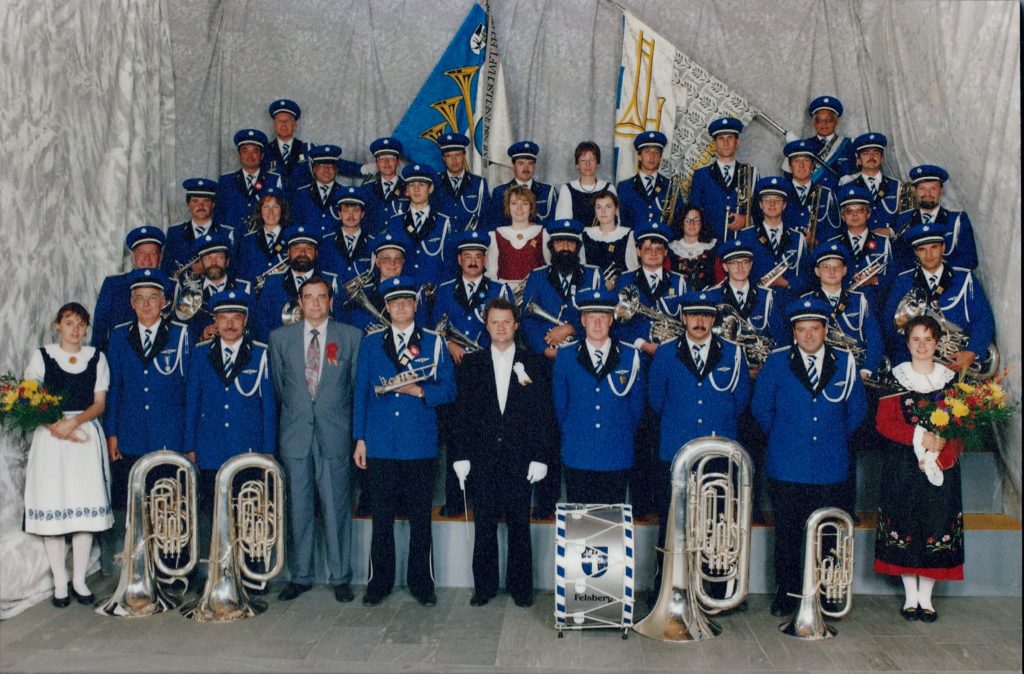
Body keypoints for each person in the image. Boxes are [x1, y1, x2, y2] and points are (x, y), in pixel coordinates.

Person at [752, 297, 867, 617]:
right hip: (786, 462)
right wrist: (786, 436)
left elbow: (857, 409)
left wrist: (831, 437)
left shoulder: (845, 361)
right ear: (793, 333)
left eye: (814, 329)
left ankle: (828, 592)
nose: (808, 336)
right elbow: (761, 408)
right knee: (787, 533)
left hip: (831, 463)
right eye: (801, 330)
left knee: (829, 533)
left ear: (825, 330)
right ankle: (787, 593)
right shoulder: (776, 362)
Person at [352, 276, 456, 607]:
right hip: (381, 443)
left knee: (420, 520)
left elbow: (450, 391)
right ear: (386, 307)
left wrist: (421, 390)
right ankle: (378, 583)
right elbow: (360, 395)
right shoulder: (370, 344)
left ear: (415, 306)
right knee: (381, 518)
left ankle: (421, 584)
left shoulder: (433, 342)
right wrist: (359, 439)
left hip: (419, 443)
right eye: (394, 302)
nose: (400, 307)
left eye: (406, 301)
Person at [450, 297, 555, 608]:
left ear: (515, 325)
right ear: (487, 325)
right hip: (482, 460)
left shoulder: (534, 362)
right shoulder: (471, 364)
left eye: (506, 321)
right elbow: (462, 414)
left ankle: (521, 588)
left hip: (520, 459)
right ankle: (484, 587)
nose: (500, 327)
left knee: (519, 525)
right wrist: (460, 456)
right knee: (484, 525)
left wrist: (541, 456)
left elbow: (543, 414)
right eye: (494, 322)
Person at [647, 290, 750, 592]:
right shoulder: (666, 353)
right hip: (676, 451)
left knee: (717, 523)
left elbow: (741, 399)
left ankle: (713, 588)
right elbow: (656, 400)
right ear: (683, 318)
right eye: (693, 315)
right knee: (672, 522)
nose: (700, 321)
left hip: (718, 450)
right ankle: (666, 588)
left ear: (714, 319)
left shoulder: (733, 353)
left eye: (706, 315)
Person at [269, 276, 363, 604]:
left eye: (321, 297)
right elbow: (280, 390)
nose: (315, 303)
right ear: (299, 301)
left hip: (335, 436)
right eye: (308, 297)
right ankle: (301, 575)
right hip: (296, 436)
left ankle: (340, 577)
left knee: (337, 508)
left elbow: (353, 389)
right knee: (298, 509)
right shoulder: (279, 339)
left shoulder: (351, 337)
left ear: (331, 301)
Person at [874, 315, 965, 623]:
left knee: (935, 525)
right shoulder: (895, 378)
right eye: (916, 339)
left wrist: (943, 444)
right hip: (903, 465)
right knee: (905, 523)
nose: (922, 345)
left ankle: (927, 598)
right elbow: (884, 424)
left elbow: (961, 424)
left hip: (940, 464)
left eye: (928, 339)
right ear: (908, 342)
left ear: (937, 343)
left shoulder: (950, 380)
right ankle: (910, 597)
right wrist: (919, 436)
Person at [22, 302, 113, 607]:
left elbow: (99, 404)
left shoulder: (96, 358)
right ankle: (60, 582)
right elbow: (29, 399)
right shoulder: (42, 356)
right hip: (51, 440)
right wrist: (55, 426)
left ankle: (78, 581)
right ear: (57, 325)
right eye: (69, 322)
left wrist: (73, 422)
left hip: (84, 436)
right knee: (56, 506)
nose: (76, 329)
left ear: (86, 328)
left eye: (81, 324)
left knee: (83, 508)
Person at [103, 269, 190, 559]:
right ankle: (140, 563)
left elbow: (190, 392)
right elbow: (114, 388)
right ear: (131, 303)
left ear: (164, 301)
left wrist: (188, 440)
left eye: (153, 298)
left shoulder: (180, 334)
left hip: (170, 433)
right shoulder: (118, 336)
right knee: (136, 503)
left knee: (172, 504)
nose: (146, 304)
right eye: (139, 298)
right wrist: (112, 433)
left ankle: (172, 564)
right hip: (131, 432)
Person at [431, 230, 512, 517]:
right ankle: (456, 500)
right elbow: (431, 331)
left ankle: (493, 501)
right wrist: (450, 343)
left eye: (479, 256)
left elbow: (508, 330)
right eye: (468, 256)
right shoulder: (443, 291)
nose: (474, 261)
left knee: (490, 437)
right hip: (453, 373)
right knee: (458, 436)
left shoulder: (499, 290)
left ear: (486, 259)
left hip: (487, 373)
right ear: (459, 260)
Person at [184, 289, 277, 511]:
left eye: (236, 318)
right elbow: (193, 404)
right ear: (215, 321)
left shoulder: (260, 354)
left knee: (249, 513)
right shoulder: (200, 354)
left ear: (245, 321)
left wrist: (268, 450)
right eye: (224, 318)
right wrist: (190, 446)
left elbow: (269, 408)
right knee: (211, 513)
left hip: (248, 448)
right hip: (210, 448)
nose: (230, 324)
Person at [552, 287, 644, 504]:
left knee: (612, 526)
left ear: (611, 320)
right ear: (582, 321)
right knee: (579, 526)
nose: (597, 324)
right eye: (591, 317)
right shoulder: (565, 356)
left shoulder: (630, 355)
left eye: (603, 317)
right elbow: (560, 406)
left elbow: (636, 407)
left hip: (616, 452)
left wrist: (618, 431)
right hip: (578, 452)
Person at [883, 223, 994, 372]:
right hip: (913, 364)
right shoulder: (903, 281)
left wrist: (972, 351)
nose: (928, 255)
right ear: (916, 252)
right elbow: (890, 325)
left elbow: (983, 319)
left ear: (943, 248)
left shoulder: (964, 278)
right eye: (922, 249)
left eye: (934, 247)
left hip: (957, 364)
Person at [250, 226, 339, 343]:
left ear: (316, 253)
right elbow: (262, 324)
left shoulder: (330, 281)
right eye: (296, 248)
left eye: (308, 248)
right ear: (288, 252)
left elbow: (339, 323)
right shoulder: (272, 282)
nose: (302, 253)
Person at [613, 221, 686, 356]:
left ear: (665, 252)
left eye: (658, 249)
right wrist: (643, 344)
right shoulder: (625, 280)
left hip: (670, 353)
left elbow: (685, 323)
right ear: (638, 251)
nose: (653, 253)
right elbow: (616, 324)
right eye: (647, 249)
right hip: (634, 351)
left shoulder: (678, 282)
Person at [824, 185, 895, 323]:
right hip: (841, 310)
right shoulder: (833, 245)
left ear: (868, 214)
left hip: (875, 308)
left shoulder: (883, 243)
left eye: (860, 210)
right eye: (849, 211)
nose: (855, 215)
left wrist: (874, 280)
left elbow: (892, 278)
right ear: (843, 217)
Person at [736, 177, 813, 300]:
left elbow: (806, 276)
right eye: (767, 200)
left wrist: (787, 284)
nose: (772, 204)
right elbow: (738, 274)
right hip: (758, 305)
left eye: (777, 200)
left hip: (790, 304)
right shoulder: (746, 236)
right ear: (760, 205)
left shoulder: (797, 238)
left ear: (784, 205)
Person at [92, 226, 166, 353]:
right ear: (133, 256)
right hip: (120, 358)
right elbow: (100, 331)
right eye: (141, 253)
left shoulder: (172, 286)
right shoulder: (113, 285)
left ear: (161, 256)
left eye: (152, 253)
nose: (147, 258)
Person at [892, 164, 978, 273]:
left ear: (941, 190)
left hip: (948, 283)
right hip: (914, 284)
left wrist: (937, 274)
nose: (927, 194)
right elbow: (897, 258)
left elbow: (970, 259)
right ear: (915, 190)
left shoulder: (957, 220)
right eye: (922, 188)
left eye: (933, 188)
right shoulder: (904, 219)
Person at [386, 163, 456, 290]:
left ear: (431, 188)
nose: (416, 189)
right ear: (407, 190)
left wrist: (440, 292)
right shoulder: (395, 222)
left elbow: (449, 265)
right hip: (404, 292)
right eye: (412, 185)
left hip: (433, 293)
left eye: (421, 185)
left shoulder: (443, 222)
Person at [688, 117, 759, 241]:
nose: (725, 143)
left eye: (730, 138)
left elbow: (761, 209)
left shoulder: (751, 173)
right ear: (714, 144)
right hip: (710, 246)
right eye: (721, 138)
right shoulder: (701, 175)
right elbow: (694, 212)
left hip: (741, 246)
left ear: (737, 142)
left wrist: (746, 219)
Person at [175, 232, 251, 343]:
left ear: (227, 261)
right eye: (208, 258)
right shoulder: (189, 293)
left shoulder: (245, 288)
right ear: (200, 263)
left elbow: (254, 328)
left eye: (219, 257)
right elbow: (183, 332)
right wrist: (201, 337)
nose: (213, 263)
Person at [213, 129, 284, 234]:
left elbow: (282, 215)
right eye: (245, 151)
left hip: (261, 243)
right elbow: (218, 217)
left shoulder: (274, 180)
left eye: (255, 151)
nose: (250, 156)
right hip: (232, 241)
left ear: (262, 156)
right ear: (239, 155)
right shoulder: (226, 181)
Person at [163, 177, 235, 277]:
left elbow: (234, 268)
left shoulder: (227, 233)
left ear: (213, 204)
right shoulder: (175, 233)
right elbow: (166, 270)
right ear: (188, 204)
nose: (201, 206)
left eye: (206, 201)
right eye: (195, 201)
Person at [485, 185, 549, 294]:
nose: (519, 208)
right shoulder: (496, 235)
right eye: (514, 203)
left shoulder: (542, 233)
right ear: (508, 207)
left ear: (531, 207)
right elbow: (492, 273)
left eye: (524, 203)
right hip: (505, 294)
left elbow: (549, 269)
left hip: (534, 293)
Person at [615, 131, 685, 229]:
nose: (652, 156)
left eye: (656, 152)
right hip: (633, 242)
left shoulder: (670, 186)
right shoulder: (624, 187)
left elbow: (679, 220)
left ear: (660, 158)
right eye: (647, 151)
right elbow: (619, 222)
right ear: (639, 156)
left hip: (662, 243)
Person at [837, 133, 901, 234]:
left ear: (882, 158)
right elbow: (841, 221)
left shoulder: (897, 186)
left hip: (891, 244)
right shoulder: (847, 187)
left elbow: (906, 218)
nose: (871, 156)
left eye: (876, 153)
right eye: (866, 153)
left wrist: (890, 231)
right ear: (858, 160)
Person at [488, 141, 558, 229]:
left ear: (534, 166)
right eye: (521, 163)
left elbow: (554, 225)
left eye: (530, 163)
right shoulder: (499, 192)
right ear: (513, 165)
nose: (526, 168)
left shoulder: (548, 192)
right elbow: (495, 227)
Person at [781, 138, 840, 241]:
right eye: (796, 161)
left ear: (812, 166)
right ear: (790, 167)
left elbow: (834, 231)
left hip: (817, 254)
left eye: (806, 160)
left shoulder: (826, 194)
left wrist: (816, 241)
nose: (801, 165)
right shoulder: (781, 193)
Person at [432, 133, 490, 233]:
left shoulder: (479, 183)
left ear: (464, 155)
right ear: (443, 159)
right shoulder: (434, 183)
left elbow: (486, 219)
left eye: (457, 155)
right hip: (443, 245)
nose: (454, 160)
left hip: (470, 244)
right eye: (449, 156)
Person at [318, 186, 374, 288]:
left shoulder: (373, 243)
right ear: (339, 214)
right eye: (346, 211)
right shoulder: (326, 242)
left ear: (362, 214)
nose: (350, 216)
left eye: (356, 211)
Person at [581, 190, 638, 288]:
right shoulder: (585, 234)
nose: (603, 211)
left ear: (616, 208)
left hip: (619, 292)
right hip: (591, 291)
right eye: (598, 207)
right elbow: (581, 270)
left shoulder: (628, 234)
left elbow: (632, 271)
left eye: (608, 206)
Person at [236, 185, 291, 286]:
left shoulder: (291, 238)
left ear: (282, 210)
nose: (271, 212)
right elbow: (242, 276)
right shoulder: (247, 240)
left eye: (275, 207)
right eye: (266, 207)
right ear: (260, 211)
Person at [291, 144, 349, 239]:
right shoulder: (301, 194)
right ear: (314, 169)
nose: (326, 170)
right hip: (309, 248)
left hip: (335, 250)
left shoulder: (344, 193)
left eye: (330, 165)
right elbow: (295, 224)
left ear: (336, 169)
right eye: (321, 165)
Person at [555, 141, 616, 226]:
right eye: (583, 160)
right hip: (576, 238)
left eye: (592, 159)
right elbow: (562, 224)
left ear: (597, 163)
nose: (588, 164)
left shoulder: (609, 188)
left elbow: (615, 222)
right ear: (577, 165)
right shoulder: (567, 189)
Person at [262, 98, 313, 190]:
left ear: (295, 124)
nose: (284, 125)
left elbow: (330, 162)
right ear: (274, 124)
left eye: (288, 121)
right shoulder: (265, 150)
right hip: (275, 203)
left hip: (300, 202)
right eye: (280, 121)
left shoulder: (306, 148)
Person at [361, 137, 407, 236]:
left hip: (400, 244)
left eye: (391, 158)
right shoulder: (366, 190)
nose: (386, 162)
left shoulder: (409, 188)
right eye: (382, 158)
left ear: (398, 161)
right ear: (376, 163)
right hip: (373, 244)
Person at [804, 95, 856, 184]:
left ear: (837, 120)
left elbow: (865, 172)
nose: (824, 123)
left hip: (841, 195)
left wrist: (854, 177)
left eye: (829, 119)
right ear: (813, 122)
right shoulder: (804, 146)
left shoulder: (850, 145)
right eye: (819, 120)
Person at [667, 206, 719, 290]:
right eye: (687, 220)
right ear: (681, 223)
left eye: (696, 220)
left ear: (702, 223)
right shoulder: (671, 249)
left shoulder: (712, 248)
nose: (692, 224)